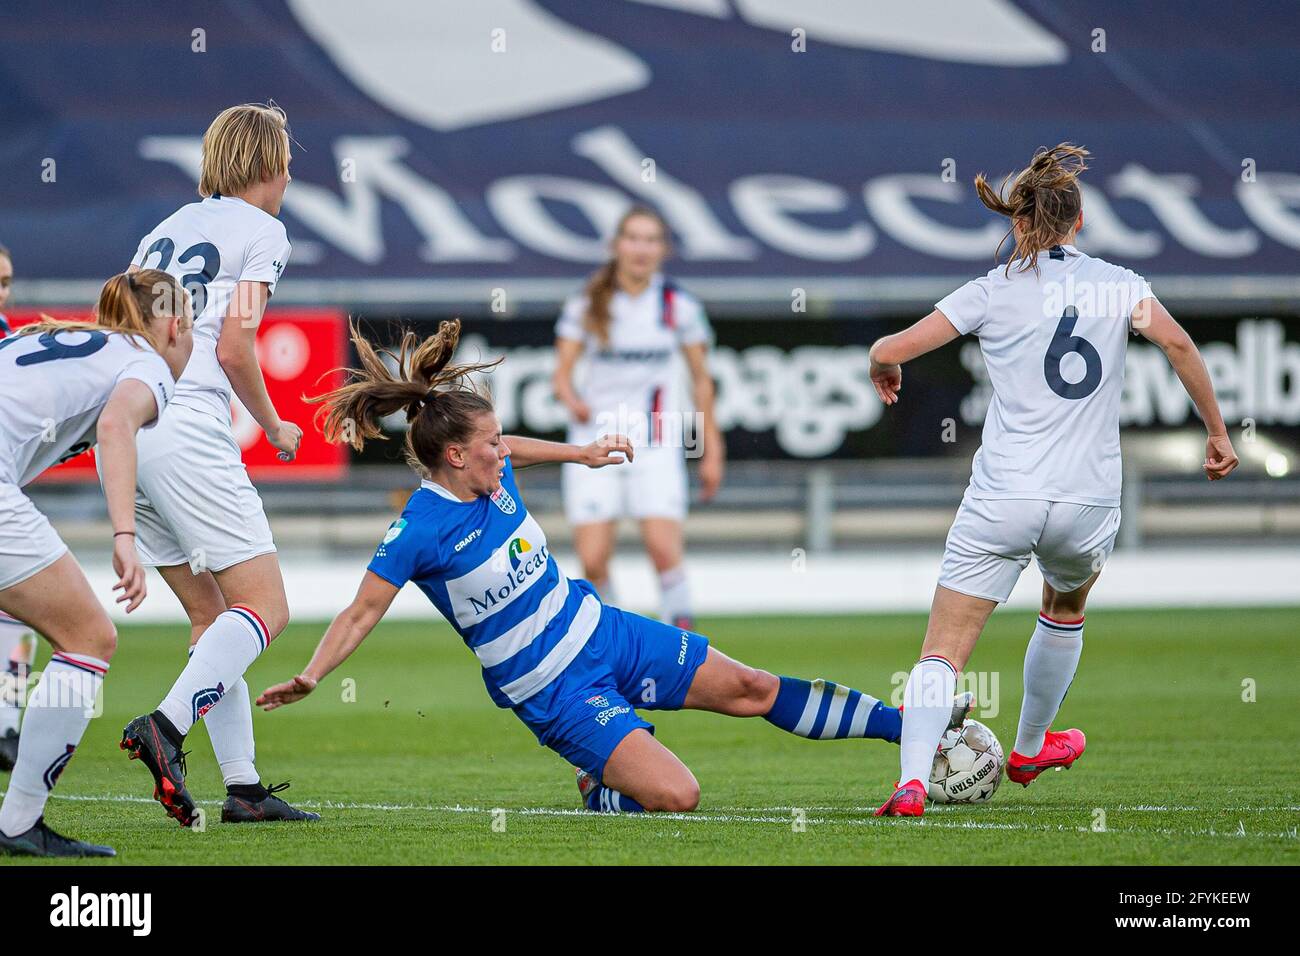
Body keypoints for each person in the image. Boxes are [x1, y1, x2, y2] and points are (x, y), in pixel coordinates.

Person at [256, 319, 970, 813]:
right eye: (493, 444)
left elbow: (518, 449)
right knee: (677, 797)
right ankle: (598, 784)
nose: (504, 451)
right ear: (454, 457)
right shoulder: (418, 529)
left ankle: (904, 726)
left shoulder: (490, 474)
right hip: (553, 690)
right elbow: (360, 611)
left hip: (604, 632)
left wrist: (581, 453)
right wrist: (314, 674)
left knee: (751, 686)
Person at [868, 144, 1239, 817]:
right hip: (1087, 498)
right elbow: (1180, 345)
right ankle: (1031, 746)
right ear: (1080, 221)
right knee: (1065, 607)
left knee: (943, 654)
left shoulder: (989, 289)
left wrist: (882, 364)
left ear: (1017, 221)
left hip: (1004, 494)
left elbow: (893, 348)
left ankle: (913, 782)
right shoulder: (1118, 284)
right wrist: (1216, 432)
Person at [117, 102, 317, 826]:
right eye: (287, 158)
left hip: (130, 425)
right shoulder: (264, 231)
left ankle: (245, 790)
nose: (290, 174)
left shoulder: (164, 228)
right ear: (270, 166)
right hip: (189, 424)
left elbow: (121, 330)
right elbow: (235, 347)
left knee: (212, 618)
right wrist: (274, 424)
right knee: (266, 609)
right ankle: (164, 728)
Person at [0, 270, 193, 856]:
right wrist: (125, 536)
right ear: (172, 324)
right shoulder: (146, 363)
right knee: (87, 635)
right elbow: (114, 426)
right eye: (190, 323)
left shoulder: (64, 341)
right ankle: (19, 823)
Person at [552, 206, 723, 629]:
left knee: (664, 553)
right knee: (593, 561)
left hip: (656, 441)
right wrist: (571, 398)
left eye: (651, 240)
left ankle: (684, 653)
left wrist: (711, 447)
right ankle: (616, 640)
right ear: (616, 245)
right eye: (633, 238)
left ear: (663, 249)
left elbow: (702, 380)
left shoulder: (677, 306)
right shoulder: (587, 304)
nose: (641, 249)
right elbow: (561, 374)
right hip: (595, 443)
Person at [0, 242, 39, 772]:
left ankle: (7, 722)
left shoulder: (10, 339)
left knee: (21, 604)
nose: (1, 292)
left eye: (6, 281)